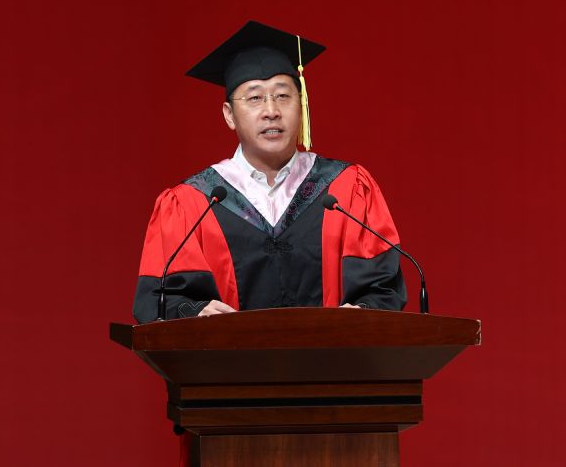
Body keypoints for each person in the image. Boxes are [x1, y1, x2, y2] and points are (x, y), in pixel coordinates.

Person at [133, 21, 407, 323]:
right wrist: (194, 313)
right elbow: (159, 301)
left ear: (301, 105)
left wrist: (363, 314)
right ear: (229, 115)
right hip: (229, 355)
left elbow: (383, 289)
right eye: (254, 98)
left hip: (332, 354)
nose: (271, 111)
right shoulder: (192, 203)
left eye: (283, 96)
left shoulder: (346, 190)